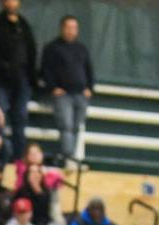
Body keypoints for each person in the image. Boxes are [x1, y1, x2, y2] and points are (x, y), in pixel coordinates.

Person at [0, 0, 37, 160]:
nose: (11, 3)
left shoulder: (24, 25)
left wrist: (31, 77)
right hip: (0, 81)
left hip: (22, 80)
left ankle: (18, 158)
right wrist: (4, 66)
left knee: (20, 118)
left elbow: (31, 52)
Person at [41, 16, 94, 162]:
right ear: (62, 28)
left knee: (77, 127)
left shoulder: (82, 49)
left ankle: (72, 156)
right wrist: (53, 87)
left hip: (81, 94)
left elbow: (89, 69)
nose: (71, 31)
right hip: (63, 94)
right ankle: (68, 157)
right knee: (66, 126)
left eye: (74, 28)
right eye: (68, 27)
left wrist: (89, 88)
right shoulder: (52, 48)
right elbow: (46, 70)